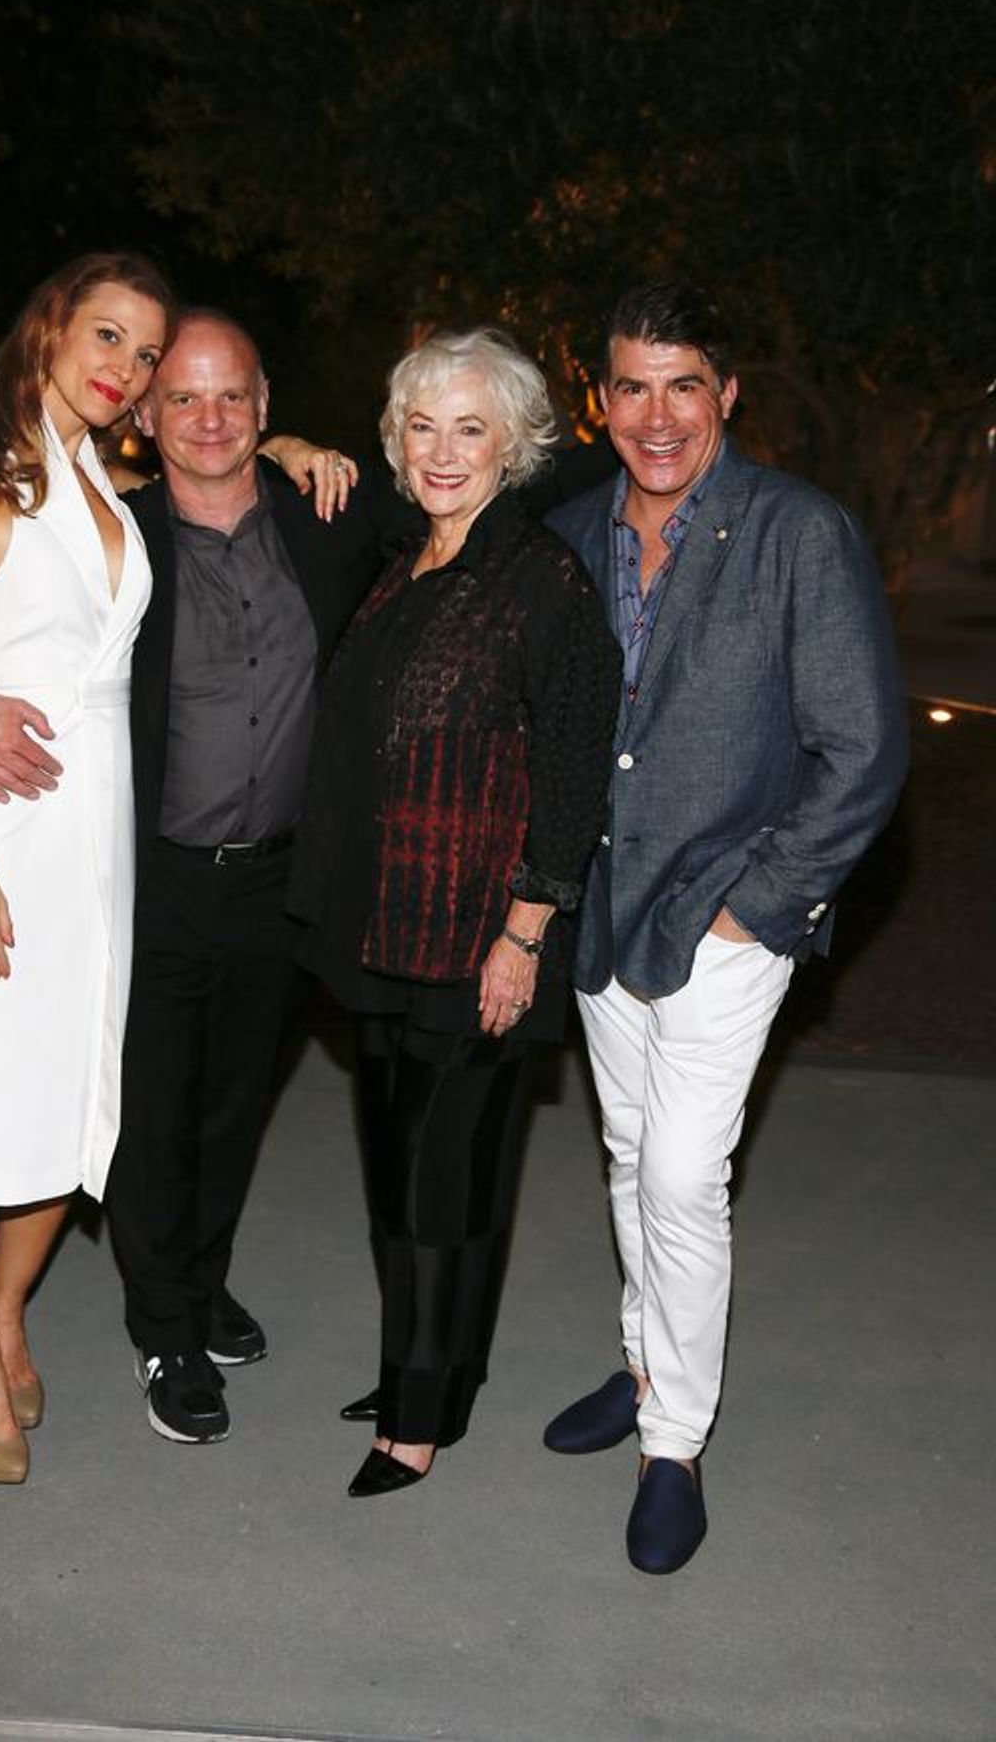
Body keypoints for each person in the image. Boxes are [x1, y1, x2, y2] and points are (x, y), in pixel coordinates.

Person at [0, 308, 393, 1445]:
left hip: (283, 878)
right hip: (146, 873)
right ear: (145, 416)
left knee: (236, 1102)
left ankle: (200, 1282)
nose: (208, 419)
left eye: (232, 398)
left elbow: (464, 512)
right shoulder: (112, 533)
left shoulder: (326, 520)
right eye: (182, 397)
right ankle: (164, 1327)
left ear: (265, 407)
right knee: (150, 1110)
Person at [541, 283, 908, 1571]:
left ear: (726, 395)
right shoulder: (575, 532)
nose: (656, 415)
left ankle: (676, 1445)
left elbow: (862, 748)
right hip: (601, 914)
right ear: (599, 400)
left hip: (725, 918)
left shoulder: (796, 532)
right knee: (632, 1157)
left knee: (689, 1178)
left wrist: (762, 906)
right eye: (631, 386)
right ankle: (644, 1367)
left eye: (682, 384)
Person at [286, 328, 623, 1497]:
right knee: (397, 1174)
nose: (442, 451)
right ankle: (424, 1369)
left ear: (514, 444)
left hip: (481, 943)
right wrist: (283, 437)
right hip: (385, 933)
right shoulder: (407, 562)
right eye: (421, 426)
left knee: (448, 1187)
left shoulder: (543, 581)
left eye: (469, 428)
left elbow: (577, 771)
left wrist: (528, 931)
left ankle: (420, 1418)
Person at [0, 252, 177, 1483]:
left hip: (95, 856)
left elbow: (224, 457)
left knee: (70, 1106)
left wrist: (287, 446)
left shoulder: (111, 489)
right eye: (108, 337)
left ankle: (11, 1310)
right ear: (49, 326)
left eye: (148, 353)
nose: (128, 370)